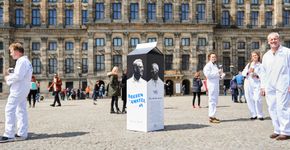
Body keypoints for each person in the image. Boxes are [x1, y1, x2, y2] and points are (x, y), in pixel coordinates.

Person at [260, 32, 290, 140]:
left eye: (275, 39)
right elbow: (263, 72)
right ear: (268, 42)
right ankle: (277, 129)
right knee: (272, 107)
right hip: (270, 84)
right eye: (271, 40)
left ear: (279, 40)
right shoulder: (266, 55)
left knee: (283, 107)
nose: (273, 41)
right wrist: (263, 86)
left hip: (283, 82)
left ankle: (286, 131)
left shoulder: (287, 52)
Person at [0, 42, 33, 143]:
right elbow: (20, 74)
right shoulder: (26, 61)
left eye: (11, 51)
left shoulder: (21, 61)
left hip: (18, 89)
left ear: (17, 51)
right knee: (21, 110)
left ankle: (9, 134)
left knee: (9, 109)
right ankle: (22, 133)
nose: (10, 54)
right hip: (23, 88)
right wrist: (12, 72)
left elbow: (18, 76)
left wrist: (7, 78)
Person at [203, 52, 225, 123]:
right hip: (211, 85)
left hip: (216, 84)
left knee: (215, 101)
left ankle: (213, 115)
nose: (214, 58)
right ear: (209, 58)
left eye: (215, 57)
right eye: (212, 57)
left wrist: (221, 75)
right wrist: (217, 73)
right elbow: (208, 75)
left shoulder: (215, 65)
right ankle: (211, 117)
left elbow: (217, 76)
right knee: (212, 100)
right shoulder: (207, 66)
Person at [242, 51, 264, 120]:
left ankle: (260, 114)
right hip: (248, 83)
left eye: (255, 55)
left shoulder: (261, 65)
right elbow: (243, 73)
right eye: (253, 56)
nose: (254, 57)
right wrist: (248, 71)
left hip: (257, 83)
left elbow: (263, 76)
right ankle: (253, 114)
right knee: (249, 99)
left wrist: (256, 75)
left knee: (257, 99)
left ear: (258, 56)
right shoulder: (249, 64)